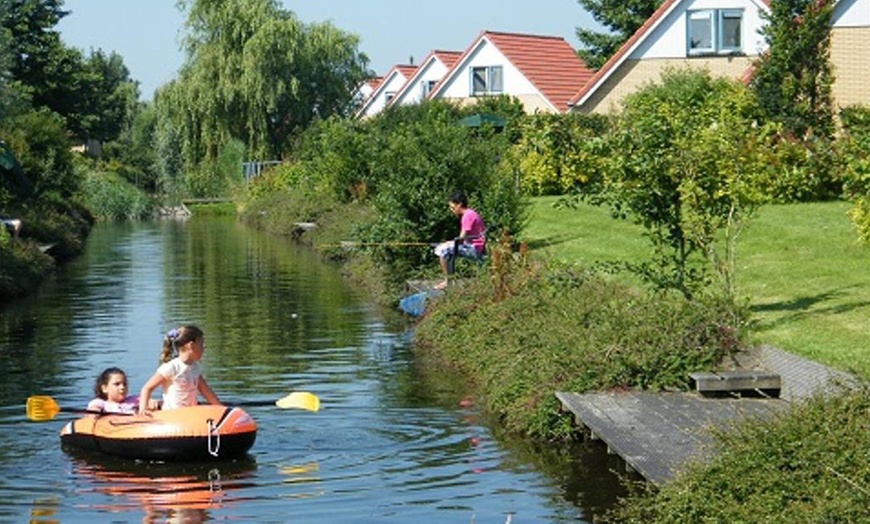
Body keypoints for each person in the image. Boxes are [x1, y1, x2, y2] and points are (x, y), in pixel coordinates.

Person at [138, 325, 221, 415]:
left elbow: (206, 391)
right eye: (201, 343)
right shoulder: (171, 367)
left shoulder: (195, 367)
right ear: (191, 345)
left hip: (190, 414)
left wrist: (221, 409)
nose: (204, 347)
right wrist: (142, 410)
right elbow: (147, 388)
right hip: (173, 416)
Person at [433, 190, 486, 290]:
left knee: (442, 251)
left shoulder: (467, 216)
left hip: (474, 249)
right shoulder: (470, 213)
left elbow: (461, 240)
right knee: (444, 247)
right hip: (475, 246)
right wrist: (450, 243)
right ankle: (449, 280)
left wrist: (449, 243)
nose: (451, 210)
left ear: (459, 204)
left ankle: (448, 281)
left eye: (452, 207)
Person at [86, 367, 159, 415]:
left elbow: (148, 401)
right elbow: (93, 410)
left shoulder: (134, 400)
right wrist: (95, 412)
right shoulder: (100, 403)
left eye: (124, 384)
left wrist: (152, 403)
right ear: (104, 388)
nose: (122, 387)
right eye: (117, 384)